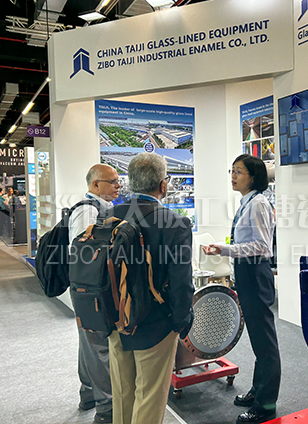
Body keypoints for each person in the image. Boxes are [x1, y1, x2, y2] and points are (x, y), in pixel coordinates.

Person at [104, 152, 194, 424]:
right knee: (150, 396)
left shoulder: (108, 216)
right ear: (163, 185)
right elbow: (181, 282)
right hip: (156, 323)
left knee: (122, 393)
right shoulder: (176, 223)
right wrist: (180, 322)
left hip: (115, 318)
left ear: (130, 182)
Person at [203, 154, 280, 424]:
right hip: (247, 273)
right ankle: (258, 390)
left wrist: (225, 249)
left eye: (239, 171)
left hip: (256, 273)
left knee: (265, 342)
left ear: (253, 176)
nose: (233, 176)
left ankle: (266, 405)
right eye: (232, 171)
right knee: (258, 339)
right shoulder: (248, 201)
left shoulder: (258, 203)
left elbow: (262, 246)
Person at [68, 164, 121, 424]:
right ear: (96, 184)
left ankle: (88, 394)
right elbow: (84, 253)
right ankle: (106, 410)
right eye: (113, 181)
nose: (118, 186)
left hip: (92, 288)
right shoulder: (88, 210)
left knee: (89, 342)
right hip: (90, 290)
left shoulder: (101, 208)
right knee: (99, 347)